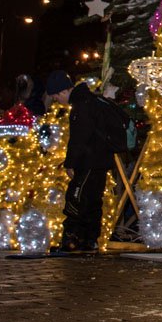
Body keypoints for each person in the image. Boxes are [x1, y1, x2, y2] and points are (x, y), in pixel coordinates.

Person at [46, 71, 112, 252]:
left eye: (56, 97)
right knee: (92, 201)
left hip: (88, 161)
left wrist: (70, 163)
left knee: (75, 198)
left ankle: (72, 239)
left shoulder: (80, 106)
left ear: (63, 91)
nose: (56, 101)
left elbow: (79, 139)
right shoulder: (90, 100)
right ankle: (89, 240)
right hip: (100, 160)